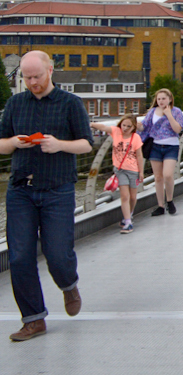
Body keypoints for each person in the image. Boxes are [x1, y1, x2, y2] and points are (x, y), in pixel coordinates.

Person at [0, 51, 94, 342]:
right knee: (19, 257)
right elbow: (1, 145)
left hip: (57, 190)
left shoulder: (70, 103)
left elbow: (86, 145)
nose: (32, 83)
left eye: (36, 77)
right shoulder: (15, 104)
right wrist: (13, 143)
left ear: (50, 71)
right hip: (21, 190)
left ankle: (69, 284)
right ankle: (33, 319)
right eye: (26, 78)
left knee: (57, 253)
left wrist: (59, 145)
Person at [89, 114, 144, 234]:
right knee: (125, 196)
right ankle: (128, 222)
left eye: (128, 126)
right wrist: (92, 124)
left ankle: (128, 215)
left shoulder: (136, 138)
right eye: (124, 125)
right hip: (120, 170)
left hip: (133, 170)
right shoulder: (116, 132)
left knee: (133, 197)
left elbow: (139, 156)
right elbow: (104, 127)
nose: (125, 128)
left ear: (133, 127)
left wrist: (141, 172)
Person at [139, 88, 183, 216]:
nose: (161, 101)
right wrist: (135, 124)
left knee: (168, 174)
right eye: (159, 99)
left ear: (170, 99)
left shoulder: (176, 112)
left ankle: (169, 200)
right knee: (158, 177)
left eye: (164, 98)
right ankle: (160, 205)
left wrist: (168, 114)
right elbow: (145, 126)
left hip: (171, 146)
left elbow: (177, 129)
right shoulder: (152, 112)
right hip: (155, 146)